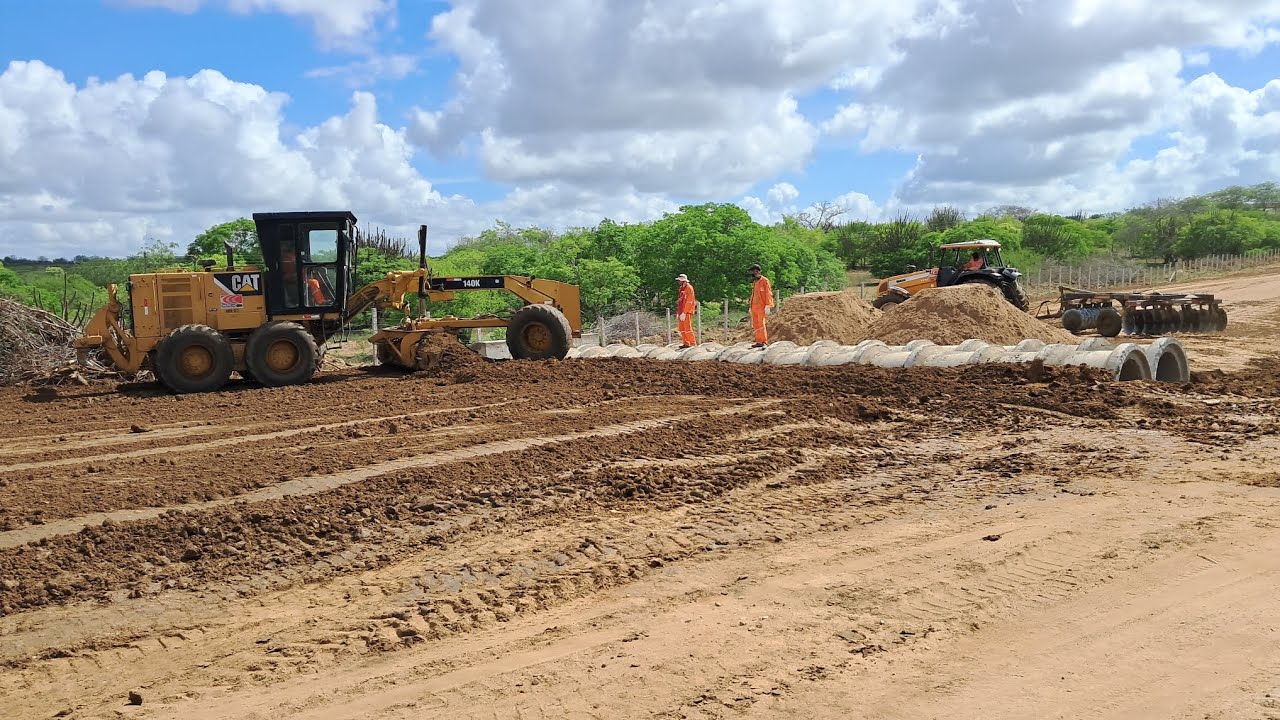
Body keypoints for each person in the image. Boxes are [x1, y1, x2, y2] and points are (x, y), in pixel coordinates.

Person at [749, 263, 774, 347]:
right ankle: (759, 341)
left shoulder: (764, 281)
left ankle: (764, 341)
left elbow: (768, 293)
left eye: (754, 271)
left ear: (758, 271)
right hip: (754, 307)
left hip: (761, 306)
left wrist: (768, 305)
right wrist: (750, 306)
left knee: (761, 323)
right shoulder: (755, 282)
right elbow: (753, 294)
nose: (753, 273)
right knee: (756, 324)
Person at [676, 273, 697, 348]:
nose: (678, 282)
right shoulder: (681, 288)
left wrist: (684, 312)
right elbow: (680, 301)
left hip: (687, 312)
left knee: (688, 328)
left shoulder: (689, 288)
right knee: (682, 328)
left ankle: (692, 344)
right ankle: (686, 343)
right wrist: (679, 312)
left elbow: (689, 301)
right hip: (681, 311)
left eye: (680, 280)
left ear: (684, 281)